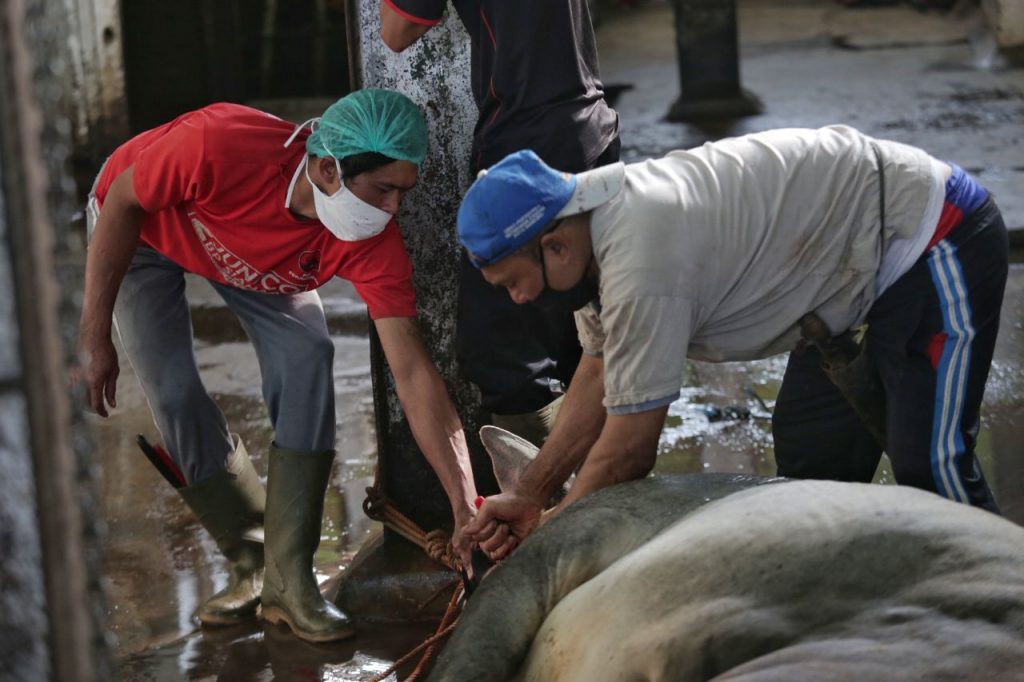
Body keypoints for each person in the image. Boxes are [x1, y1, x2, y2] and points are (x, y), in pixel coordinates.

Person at [456, 125, 1008, 559]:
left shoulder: (641, 260)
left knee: (933, 470)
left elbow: (628, 451)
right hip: (840, 284)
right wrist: (531, 493)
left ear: (553, 247)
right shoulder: (589, 245)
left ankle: (1002, 618)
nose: (518, 299)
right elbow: (598, 375)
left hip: (930, 235)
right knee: (813, 464)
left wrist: (552, 535)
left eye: (512, 283)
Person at [77, 89, 479, 642]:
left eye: (401, 193)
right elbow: (124, 201)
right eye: (382, 189)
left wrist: (465, 502)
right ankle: (249, 559)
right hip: (143, 231)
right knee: (171, 391)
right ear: (327, 167)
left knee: (308, 353)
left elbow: (413, 373)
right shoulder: (219, 146)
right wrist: (94, 335)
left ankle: (288, 581)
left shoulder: (368, 239)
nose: (392, 210)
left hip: (254, 262)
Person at [379, 0, 620, 446]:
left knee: (503, 357)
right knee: (580, 333)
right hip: (589, 125)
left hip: (526, 134)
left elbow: (396, 30)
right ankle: (597, 494)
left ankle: (550, 498)